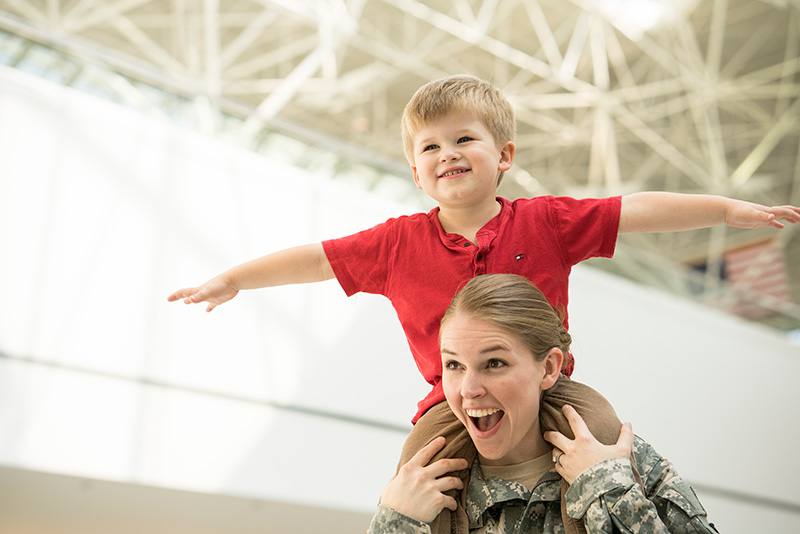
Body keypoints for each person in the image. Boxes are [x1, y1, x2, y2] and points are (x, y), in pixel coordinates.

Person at [169, 75, 795, 531]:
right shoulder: (395, 244)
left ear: (504, 156)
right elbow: (314, 258)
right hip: (446, 409)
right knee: (416, 479)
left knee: (601, 430)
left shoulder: (547, 221)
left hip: (552, 398)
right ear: (416, 172)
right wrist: (235, 279)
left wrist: (726, 210)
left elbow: (637, 210)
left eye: (464, 138)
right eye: (430, 147)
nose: (448, 154)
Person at [370, 273, 719, 534]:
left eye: (494, 363)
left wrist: (609, 490)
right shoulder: (425, 484)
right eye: (454, 365)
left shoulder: (615, 456)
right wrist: (394, 523)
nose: (469, 389)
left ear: (549, 367)